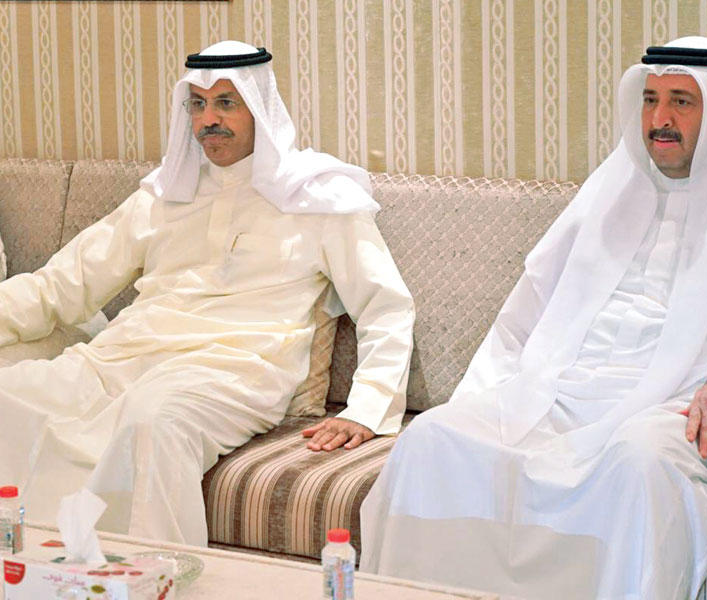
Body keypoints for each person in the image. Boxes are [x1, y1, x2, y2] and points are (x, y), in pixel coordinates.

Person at [359, 36, 707, 599]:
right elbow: (526, 312)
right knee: (432, 438)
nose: (660, 120)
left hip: (672, 409)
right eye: (650, 99)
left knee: (638, 466)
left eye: (681, 102)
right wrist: (484, 396)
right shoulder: (607, 195)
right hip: (561, 393)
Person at [0, 40, 414, 546]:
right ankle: (30, 567)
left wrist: (366, 409)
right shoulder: (164, 193)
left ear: (259, 108)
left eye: (225, 103)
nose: (208, 120)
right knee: (11, 395)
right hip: (126, 356)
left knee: (154, 420)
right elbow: (62, 286)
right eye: (197, 105)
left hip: (234, 370)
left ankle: (153, 572)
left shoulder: (318, 198)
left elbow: (385, 306)